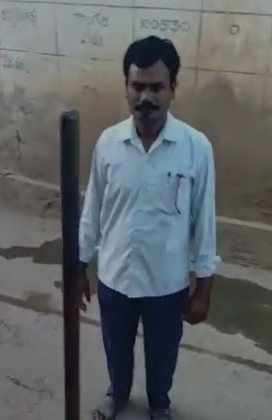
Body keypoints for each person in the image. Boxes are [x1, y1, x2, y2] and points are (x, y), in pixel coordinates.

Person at [79, 35, 219, 420]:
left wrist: (203, 288)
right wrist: (79, 267)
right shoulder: (108, 143)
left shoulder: (195, 147)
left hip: (166, 284)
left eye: (157, 87)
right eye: (137, 86)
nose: (146, 98)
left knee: (162, 355)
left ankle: (160, 404)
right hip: (115, 277)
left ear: (173, 88)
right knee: (115, 349)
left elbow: (203, 222)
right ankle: (117, 395)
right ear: (126, 87)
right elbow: (92, 211)